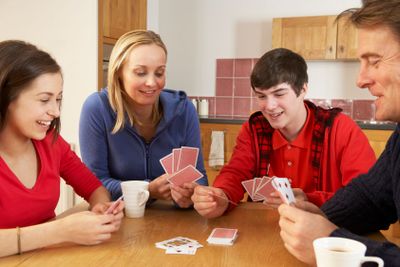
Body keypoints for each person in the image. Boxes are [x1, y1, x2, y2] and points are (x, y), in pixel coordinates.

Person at [278, 0, 400, 265]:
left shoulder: (340, 126)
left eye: (375, 61)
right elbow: (371, 197)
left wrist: (332, 243)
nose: (360, 79)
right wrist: (321, 216)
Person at [192, 48, 376, 219]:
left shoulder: (342, 129)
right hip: (264, 232)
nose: (269, 106)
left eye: (279, 94)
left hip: (325, 234)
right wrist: (221, 195)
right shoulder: (253, 129)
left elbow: (365, 200)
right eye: (261, 96)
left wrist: (309, 200)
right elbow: (236, 172)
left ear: (303, 89)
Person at [0, 40, 124, 258]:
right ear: (5, 98)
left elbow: (95, 188)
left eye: (58, 99)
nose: (56, 112)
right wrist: (60, 231)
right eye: (44, 100)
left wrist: (102, 209)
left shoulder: (51, 143)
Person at [79, 30, 207, 209]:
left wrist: (192, 192)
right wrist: (146, 189)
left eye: (159, 73)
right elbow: (95, 184)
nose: (152, 83)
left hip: (171, 220)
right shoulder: (97, 108)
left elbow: (199, 176)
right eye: (140, 72)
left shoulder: (184, 109)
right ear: (118, 73)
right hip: (117, 218)